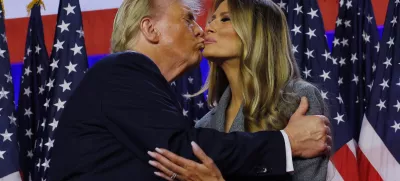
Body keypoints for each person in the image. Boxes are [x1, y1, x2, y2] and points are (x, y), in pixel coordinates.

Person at [48, 0, 331, 181]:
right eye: (188, 19)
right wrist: (286, 143)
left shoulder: (298, 99)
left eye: (224, 19)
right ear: (150, 29)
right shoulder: (123, 70)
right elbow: (184, 148)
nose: (202, 29)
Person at [148, 0, 330, 181]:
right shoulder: (203, 126)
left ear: (259, 32)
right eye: (211, 19)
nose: (208, 27)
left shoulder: (297, 99)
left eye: (225, 19)